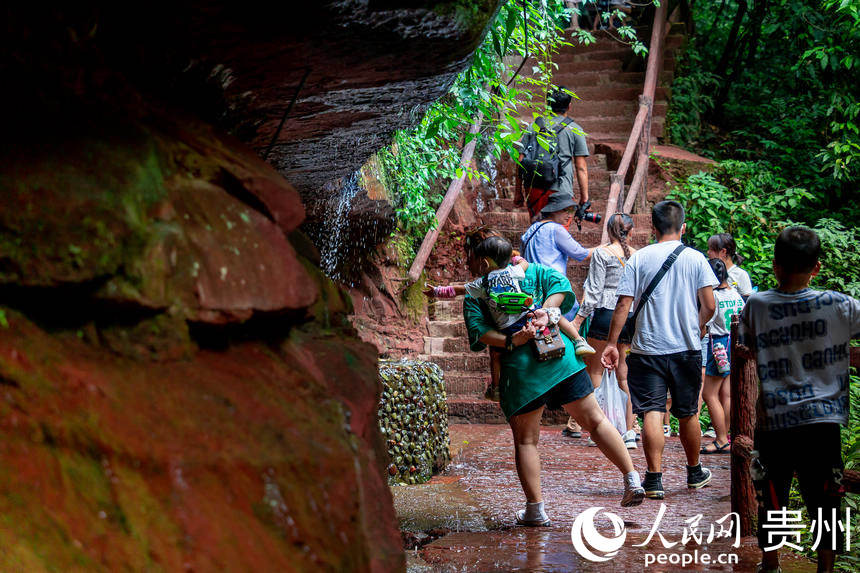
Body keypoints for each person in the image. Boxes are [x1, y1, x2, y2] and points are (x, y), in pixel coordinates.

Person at [462, 230, 645, 524]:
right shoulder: (530, 270)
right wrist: (547, 311)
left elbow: (481, 333)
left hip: (522, 375)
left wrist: (513, 341)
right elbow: (561, 284)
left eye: (468, 256)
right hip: (561, 358)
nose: (467, 262)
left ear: (481, 260)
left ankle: (536, 510)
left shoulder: (477, 290)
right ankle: (632, 478)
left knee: (526, 441)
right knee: (596, 421)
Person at [740, 226, 860, 573]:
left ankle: (771, 563)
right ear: (817, 267)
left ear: (775, 266)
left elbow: (746, 341)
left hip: (775, 421)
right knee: (826, 500)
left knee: (771, 495)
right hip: (823, 422)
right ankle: (825, 569)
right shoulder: (840, 305)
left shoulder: (758, 305)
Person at [601, 200, 717, 500]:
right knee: (688, 413)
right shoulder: (696, 259)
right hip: (686, 349)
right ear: (684, 227)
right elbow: (710, 306)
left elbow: (624, 305)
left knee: (652, 412)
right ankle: (694, 472)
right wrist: (698, 326)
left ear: (652, 228)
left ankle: (653, 480)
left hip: (646, 349)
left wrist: (612, 343)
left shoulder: (639, 259)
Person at [571, 213, 639, 448]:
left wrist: (579, 320)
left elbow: (593, 291)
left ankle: (601, 429)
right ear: (631, 232)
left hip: (605, 315)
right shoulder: (637, 257)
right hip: (628, 315)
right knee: (624, 373)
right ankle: (629, 431)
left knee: (596, 371)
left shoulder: (602, 253)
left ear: (609, 232)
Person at [514, 87, 590, 219]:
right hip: (561, 189)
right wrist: (585, 197)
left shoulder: (533, 126)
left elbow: (520, 160)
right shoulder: (575, 130)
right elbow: (581, 168)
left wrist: (518, 192)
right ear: (569, 106)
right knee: (560, 230)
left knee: (538, 228)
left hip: (534, 188)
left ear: (547, 104)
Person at [699, 258, 744, 455]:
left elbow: (706, 319)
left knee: (709, 394)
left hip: (718, 345)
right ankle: (726, 436)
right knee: (726, 394)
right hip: (733, 342)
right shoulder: (735, 294)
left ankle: (719, 439)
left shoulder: (713, 297)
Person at [707, 233, 754, 300]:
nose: (708, 252)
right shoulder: (709, 271)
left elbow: (747, 301)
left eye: (711, 249)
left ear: (723, 251)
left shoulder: (740, 274)